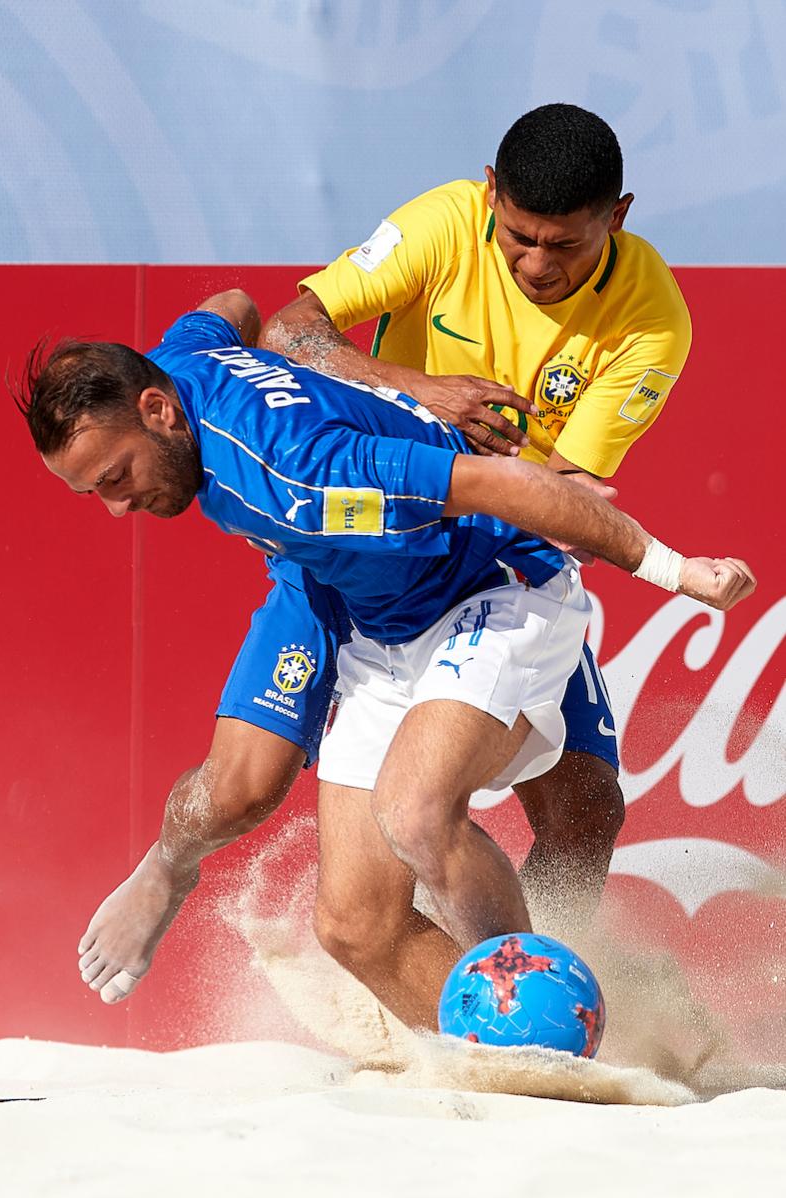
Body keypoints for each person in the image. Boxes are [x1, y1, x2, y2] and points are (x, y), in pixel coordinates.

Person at [16, 291, 754, 1026]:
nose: (116, 508)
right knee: (352, 925)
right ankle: (491, 1051)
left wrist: (676, 570)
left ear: (157, 411)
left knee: (425, 812)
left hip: (485, 587)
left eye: (115, 477)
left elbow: (504, 483)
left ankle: (534, 1030)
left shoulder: (303, 468)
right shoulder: (184, 357)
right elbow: (233, 306)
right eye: (93, 491)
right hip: (365, 607)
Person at [259, 102, 693, 930]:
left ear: (618, 217)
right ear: (490, 192)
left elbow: (561, 491)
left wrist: (564, 508)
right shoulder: (445, 222)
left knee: (585, 812)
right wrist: (423, 392)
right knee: (252, 792)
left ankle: (539, 972)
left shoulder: (651, 314)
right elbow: (288, 332)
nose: (536, 264)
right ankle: (169, 877)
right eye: (518, 236)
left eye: (565, 245)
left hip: (499, 556)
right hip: (377, 543)